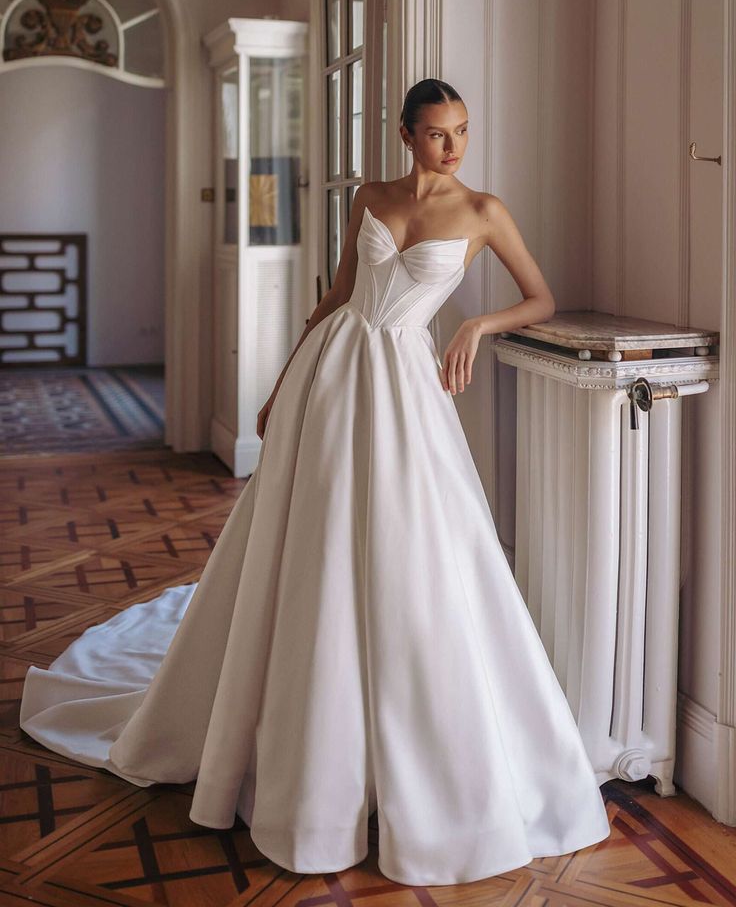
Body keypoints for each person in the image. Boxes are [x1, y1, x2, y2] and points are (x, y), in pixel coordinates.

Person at [19, 78, 611, 887]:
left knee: (413, 548)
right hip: (332, 376)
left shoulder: (484, 211)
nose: (453, 146)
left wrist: (474, 321)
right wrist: (279, 380)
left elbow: (540, 296)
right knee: (316, 542)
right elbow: (337, 296)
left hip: (406, 385)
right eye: (437, 133)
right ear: (406, 135)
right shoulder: (370, 195)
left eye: (462, 131)